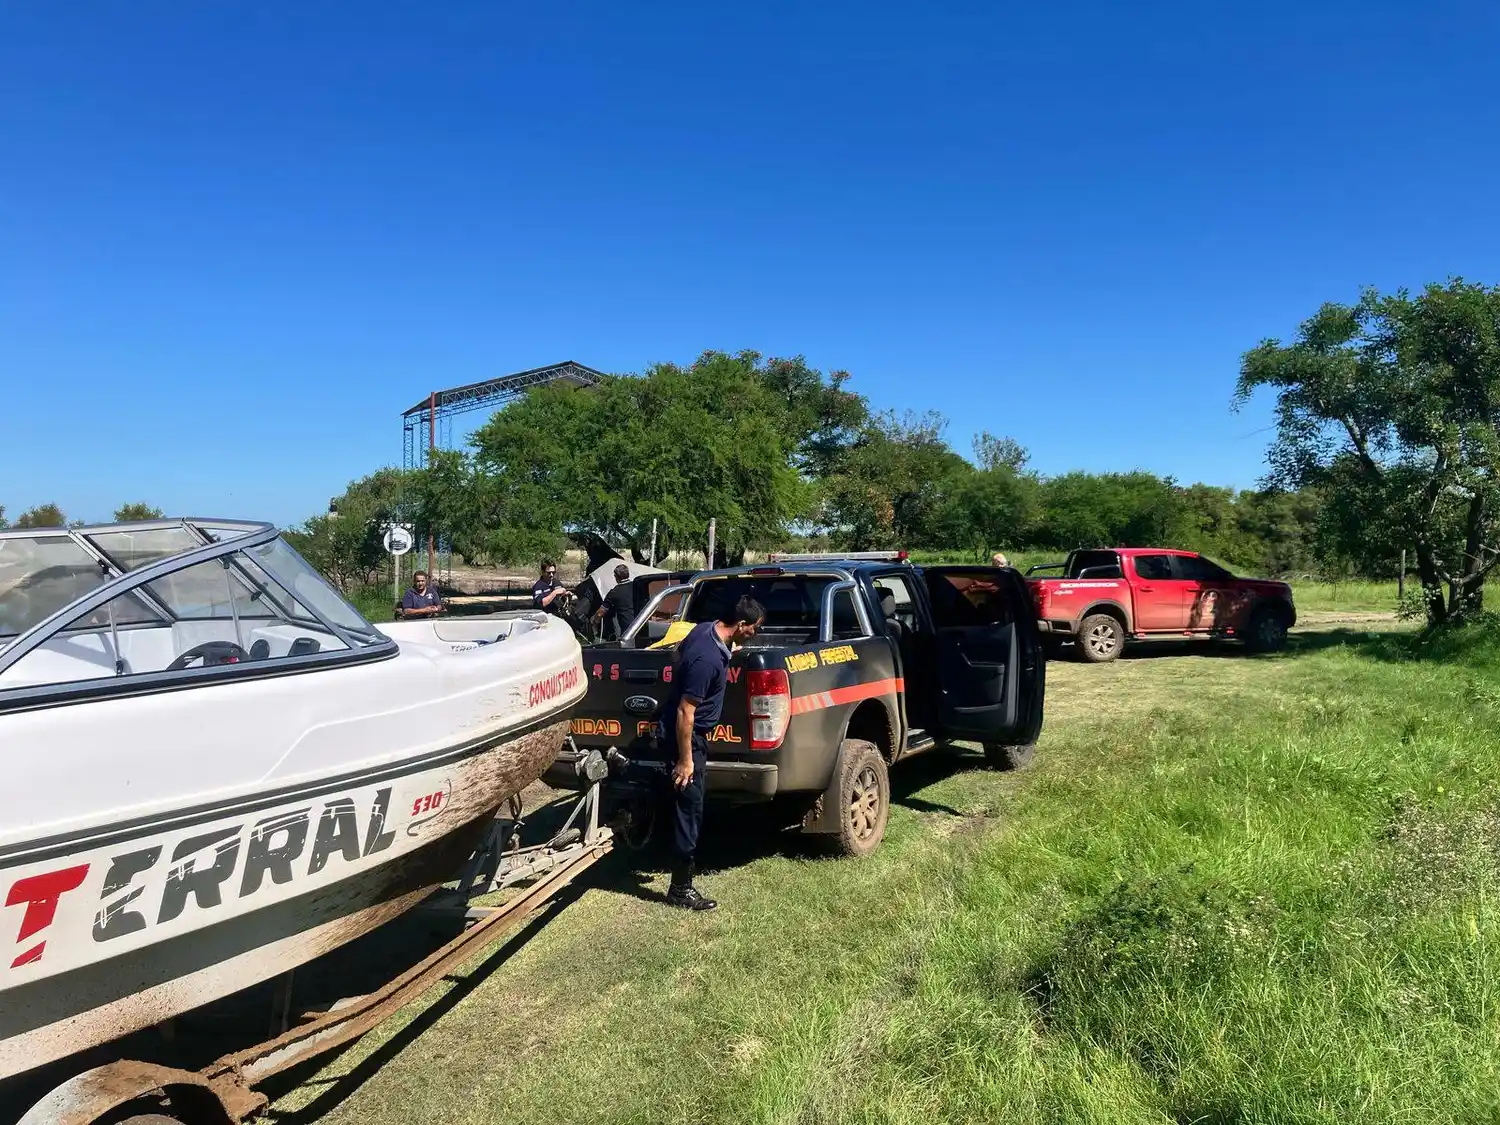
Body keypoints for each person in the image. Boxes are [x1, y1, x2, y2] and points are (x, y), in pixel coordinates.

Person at [606, 595, 765, 911]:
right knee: (688, 808)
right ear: (742, 625)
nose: (756, 635)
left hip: (676, 728)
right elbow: (685, 713)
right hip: (689, 737)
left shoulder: (705, 631)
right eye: (755, 629)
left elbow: (678, 656)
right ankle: (680, 889)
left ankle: (628, 768)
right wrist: (687, 759)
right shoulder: (707, 661)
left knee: (671, 786)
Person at [595, 563, 638, 640]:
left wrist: (594, 621)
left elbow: (600, 613)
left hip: (627, 631)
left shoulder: (614, 592)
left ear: (616, 576)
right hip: (641, 625)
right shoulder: (637, 586)